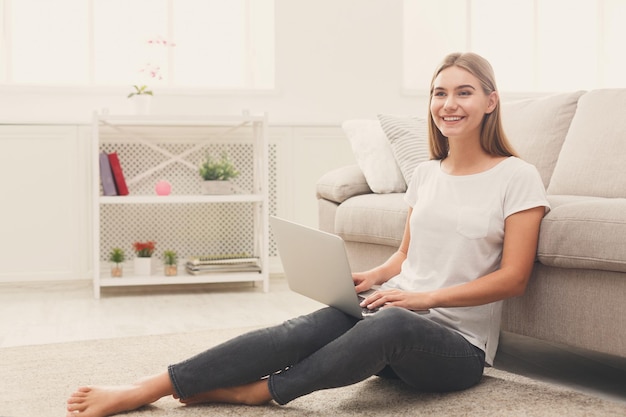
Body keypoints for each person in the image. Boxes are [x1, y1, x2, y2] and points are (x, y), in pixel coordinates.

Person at [66, 52, 549, 417]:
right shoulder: (426, 174)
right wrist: (372, 278)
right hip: (392, 324)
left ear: (490, 101)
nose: (449, 104)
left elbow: (513, 279)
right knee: (310, 326)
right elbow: (406, 253)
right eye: (439, 93)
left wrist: (423, 300)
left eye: (464, 92)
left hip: (455, 350)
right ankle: (151, 386)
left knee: (387, 322)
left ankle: (261, 391)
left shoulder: (517, 177)